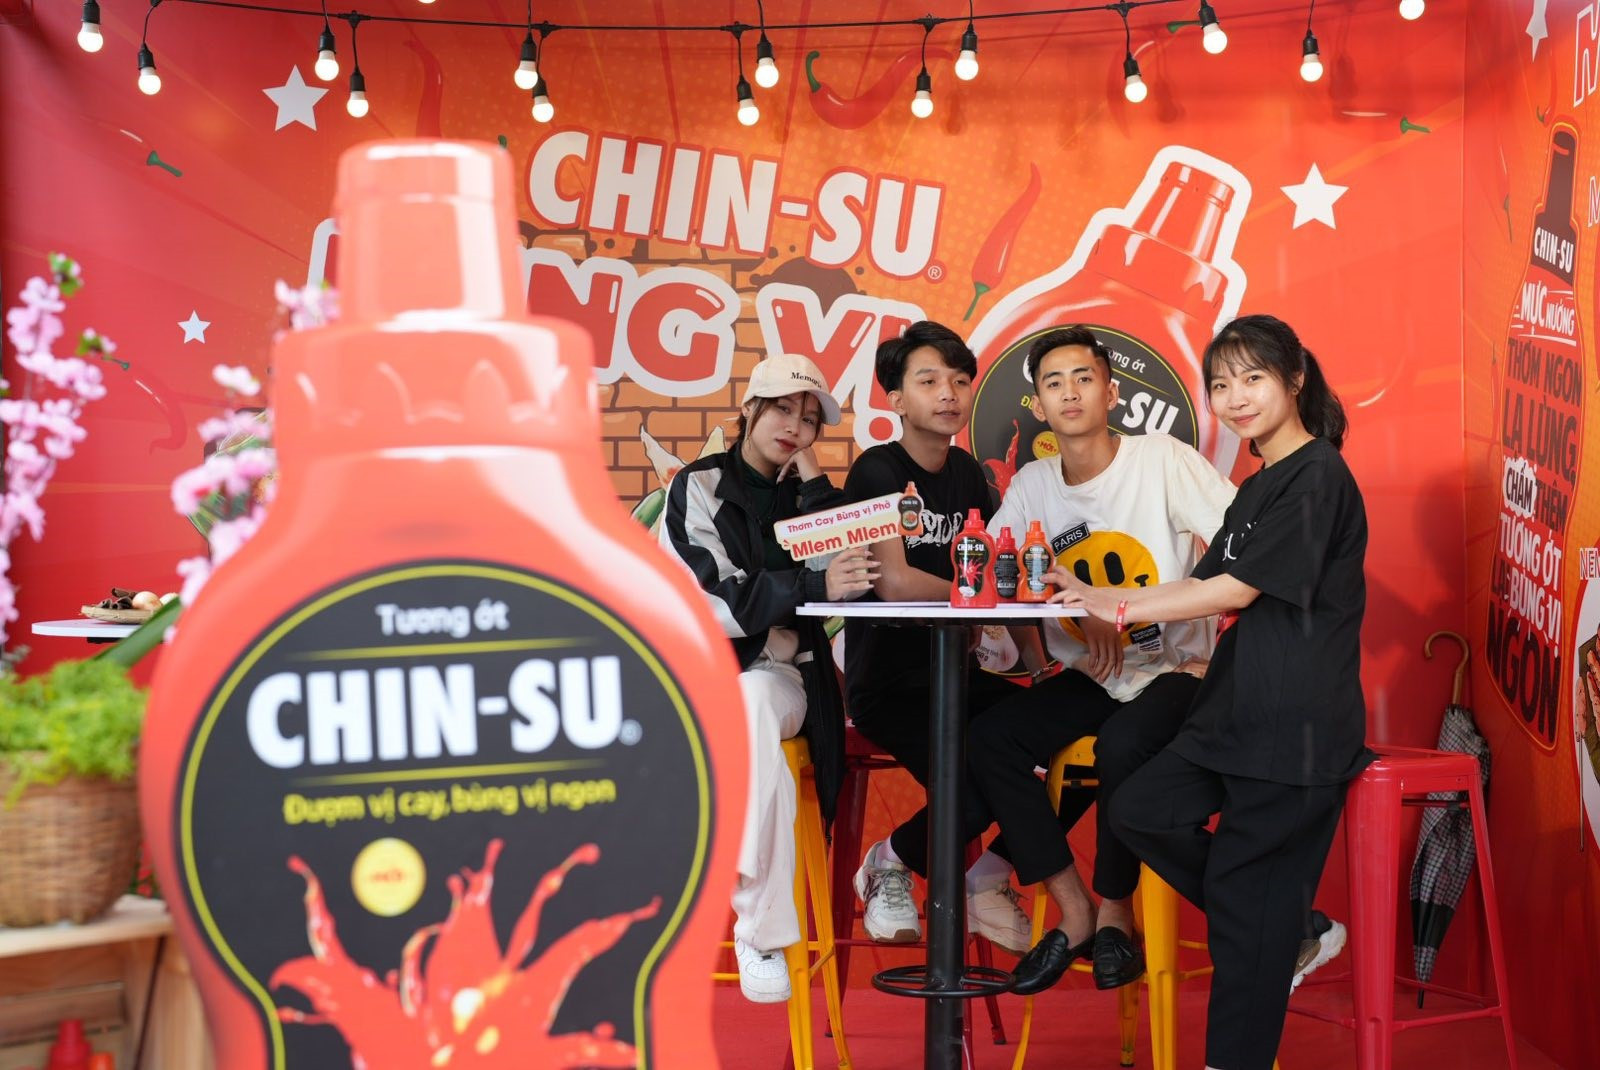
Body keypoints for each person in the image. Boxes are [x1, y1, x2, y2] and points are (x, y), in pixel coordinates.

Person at [1054, 314, 1369, 1070]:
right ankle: (1289, 929)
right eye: (1222, 385)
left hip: (1294, 724)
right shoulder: (1258, 485)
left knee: (1248, 921)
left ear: (1296, 379)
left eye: (1253, 379)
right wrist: (1091, 595)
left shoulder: (1319, 475)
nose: (1236, 398)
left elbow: (1235, 589)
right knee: (1138, 808)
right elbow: (1201, 583)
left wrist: (1114, 607)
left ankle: (1257, 984)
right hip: (1233, 714)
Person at [962, 325, 1237, 995]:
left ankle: (1116, 913)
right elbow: (996, 571)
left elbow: (1245, 547)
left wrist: (1213, 649)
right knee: (990, 739)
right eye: (1053, 383)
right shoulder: (1034, 483)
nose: (1070, 393)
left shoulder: (1161, 460)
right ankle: (1074, 907)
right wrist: (1082, 608)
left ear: (1111, 393)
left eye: (1083, 378)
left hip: (1175, 670)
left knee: (1123, 746)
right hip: (1093, 672)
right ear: (1038, 406)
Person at [658, 353, 878, 1003]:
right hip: (704, 683)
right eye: (782, 409)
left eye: (809, 421)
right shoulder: (697, 487)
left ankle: (757, 933)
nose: (794, 427)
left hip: (784, 677)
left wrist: (813, 482)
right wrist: (806, 586)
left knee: (755, 698)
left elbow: (855, 578)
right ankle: (762, 927)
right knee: (753, 726)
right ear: (749, 408)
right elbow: (710, 601)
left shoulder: (806, 497)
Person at [843, 321, 1041, 955]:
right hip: (891, 685)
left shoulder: (966, 473)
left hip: (958, 677)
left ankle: (987, 877)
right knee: (981, 777)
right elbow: (896, 582)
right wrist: (974, 592)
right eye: (928, 381)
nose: (948, 394)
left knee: (1058, 751)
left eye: (959, 380)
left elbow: (1001, 573)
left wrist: (1039, 670)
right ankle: (888, 862)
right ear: (897, 399)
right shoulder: (877, 470)